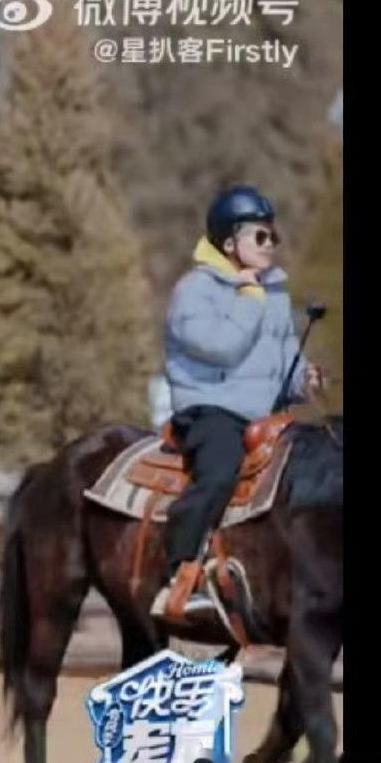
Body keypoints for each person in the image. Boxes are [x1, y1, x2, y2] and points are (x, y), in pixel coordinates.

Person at [156, 185, 326, 620]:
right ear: (229, 243)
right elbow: (222, 348)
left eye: (273, 236)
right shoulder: (194, 291)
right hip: (212, 411)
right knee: (218, 474)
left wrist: (305, 378)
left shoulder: (274, 293)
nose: (271, 245)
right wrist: (250, 299)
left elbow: (284, 354)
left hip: (268, 418)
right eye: (260, 237)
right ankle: (177, 572)